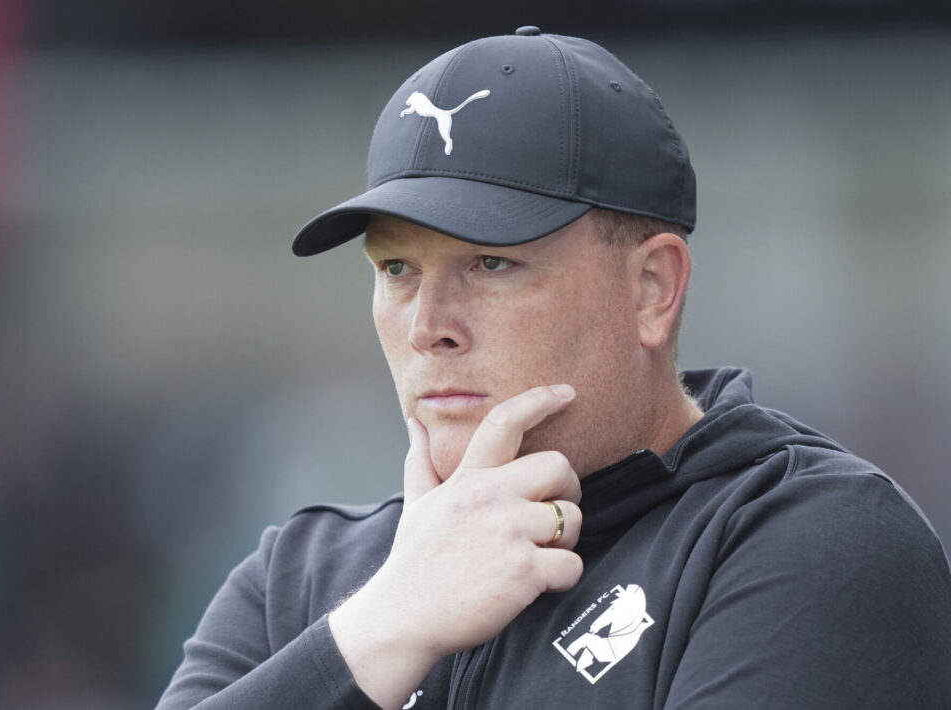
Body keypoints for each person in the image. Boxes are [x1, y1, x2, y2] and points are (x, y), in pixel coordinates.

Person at [155, 27, 951, 709]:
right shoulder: (297, 578)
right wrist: (388, 626)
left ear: (652, 288)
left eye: (492, 264)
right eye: (397, 269)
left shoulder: (813, 543)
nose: (430, 327)